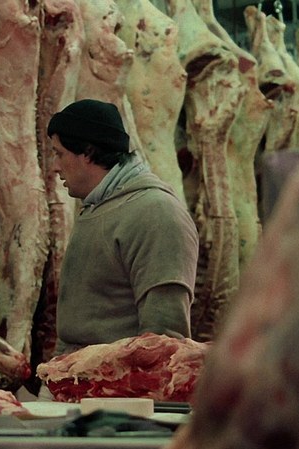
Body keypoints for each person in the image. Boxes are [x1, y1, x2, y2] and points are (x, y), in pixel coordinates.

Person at [46, 99, 199, 358]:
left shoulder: (156, 214)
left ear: (87, 153)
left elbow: (163, 339)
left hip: (118, 380)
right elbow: (75, 327)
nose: (54, 166)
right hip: (80, 374)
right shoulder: (97, 207)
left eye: (59, 154)